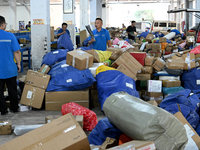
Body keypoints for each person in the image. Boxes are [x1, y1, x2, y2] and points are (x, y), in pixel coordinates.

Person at [0, 16, 21, 115]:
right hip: (9, 68)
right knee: (12, 90)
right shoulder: (10, 36)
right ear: (3, 24)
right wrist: (19, 63)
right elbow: (16, 51)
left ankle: (3, 110)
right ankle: (14, 108)